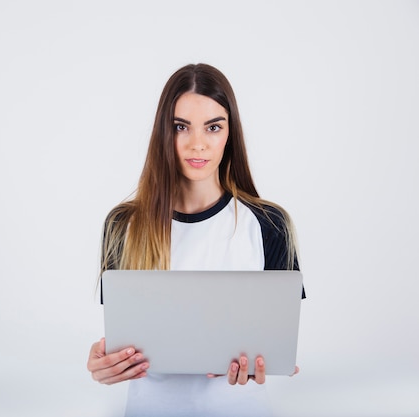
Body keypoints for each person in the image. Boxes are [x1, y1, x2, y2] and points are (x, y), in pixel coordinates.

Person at [86, 63, 305, 417]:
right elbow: (123, 340)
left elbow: (277, 344)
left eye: (213, 127)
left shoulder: (269, 225)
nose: (198, 143)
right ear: (163, 133)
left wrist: (270, 359)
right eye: (180, 127)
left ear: (230, 134)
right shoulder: (123, 225)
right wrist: (103, 363)